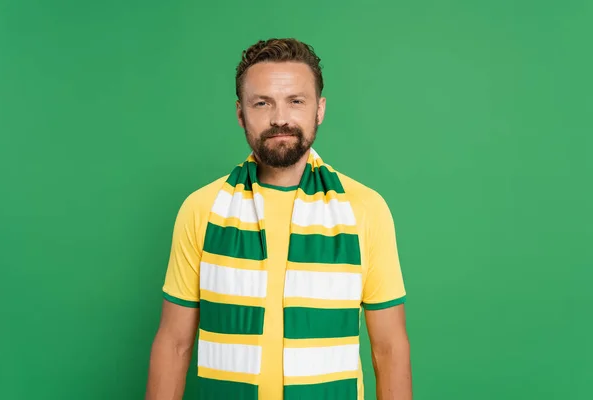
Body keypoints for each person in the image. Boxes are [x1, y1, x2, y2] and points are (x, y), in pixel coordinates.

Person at [145, 38, 412, 400]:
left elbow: (390, 349)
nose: (280, 118)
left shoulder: (365, 208)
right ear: (241, 113)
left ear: (319, 109)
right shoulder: (201, 208)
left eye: (296, 101)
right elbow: (174, 343)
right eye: (262, 103)